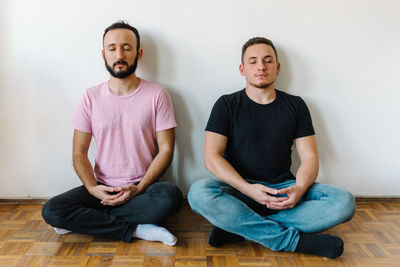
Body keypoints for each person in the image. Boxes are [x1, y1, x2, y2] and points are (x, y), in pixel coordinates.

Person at [188, 37, 355, 258]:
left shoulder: (296, 105)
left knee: (344, 202)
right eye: (253, 61)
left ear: (277, 68)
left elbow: (310, 157)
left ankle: (240, 227)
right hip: (239, 190)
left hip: (283, 190)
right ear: (242, 69)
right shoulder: (226, 104)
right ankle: (293, 241)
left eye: (268, 61)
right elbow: (211, 157)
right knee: (199, 193)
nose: (261, 66)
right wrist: (248, 190)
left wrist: (299, 189)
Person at [42, 21, 182, 246]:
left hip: (143, 188)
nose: (119, 54)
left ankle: (83, 222)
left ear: (138, 53)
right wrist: (92, 189)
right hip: (102, 188)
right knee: (52, 209)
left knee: (170, 197)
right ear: (103, 54)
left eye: (127, 47)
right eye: (112, 48)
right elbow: (79, 152)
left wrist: (138, 189)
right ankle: (137, 229)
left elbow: (166, 150)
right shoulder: (90, 97)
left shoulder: (157, 94)